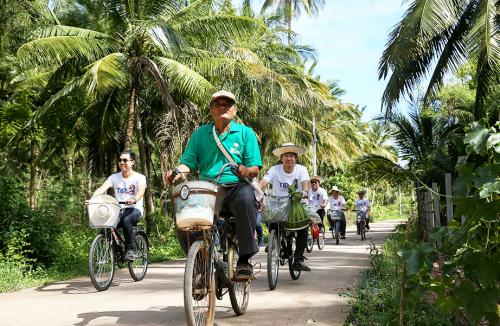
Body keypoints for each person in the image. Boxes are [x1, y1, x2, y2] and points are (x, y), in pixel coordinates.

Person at [165, 90, 262, 278]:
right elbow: (188, 163)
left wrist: (246, 170)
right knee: (184, 219)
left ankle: (244, 261)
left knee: (246, 200)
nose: (222, 106)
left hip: (236, 186)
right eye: (218, 104)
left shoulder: (245, 133)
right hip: (207, 189)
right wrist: (177, 172)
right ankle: (200, 266)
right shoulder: (200, 134)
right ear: (211, 110)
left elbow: (255, 168)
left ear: (234, 110)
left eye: (227, 103)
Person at [259, 143, 311, 271]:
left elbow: (305, 182)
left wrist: (304, 191)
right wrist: (257, 190)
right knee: (268, 218)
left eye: (292, 155)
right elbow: (265, 181)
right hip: (277, 205)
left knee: (303, 228)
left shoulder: (301, 169)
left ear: (296, 158)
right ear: (281, 158)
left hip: (297, 205)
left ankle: (298, 259)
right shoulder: (274, 169)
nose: (289, 158)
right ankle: (277, 243)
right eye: (286, 155)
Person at [87, 150, 147, 261]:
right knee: (105, 226)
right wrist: (92, 200)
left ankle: (130, 250)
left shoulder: (140, 177)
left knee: (126, 219)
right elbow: (102, 188)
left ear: (132, 162)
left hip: (135, 209)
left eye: (125, 160)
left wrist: (134, 199)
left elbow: (141, 191)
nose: (122, 162)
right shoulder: (114, 177)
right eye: (120, 160)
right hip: (119, 209)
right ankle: (114, 253)